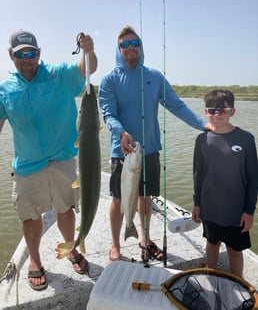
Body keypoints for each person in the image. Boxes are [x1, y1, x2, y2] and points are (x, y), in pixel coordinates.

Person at [98, 25, 215, 262]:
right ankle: (115, 245)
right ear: (118, 49)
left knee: (146, 197)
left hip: (149, 149)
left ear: (141, 47)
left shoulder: (154, 77)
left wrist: (204, 125)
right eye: (125, 45)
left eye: (135, 44)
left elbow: (177, 106)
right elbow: (108, 113)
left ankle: (144, 239)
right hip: (122, 151)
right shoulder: (109, 80)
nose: (130, 48)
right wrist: (120, 133)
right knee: (119, 198)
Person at [0, 30, 97, 290]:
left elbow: (86, 69)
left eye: (31, 53)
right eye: (21, 54)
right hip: (27, 165)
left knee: (66, 208)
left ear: (39, 54)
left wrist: (88, 51)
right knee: (30, 216)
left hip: (63, 159)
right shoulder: (4, 89)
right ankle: (34, 260)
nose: (27, 59)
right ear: (11, 55)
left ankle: (73, 249)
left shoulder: (59, 75)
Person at [192, 89, 258, 277]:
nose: (217, 115)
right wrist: (197, 203)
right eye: (212, 110)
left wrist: (249, 210)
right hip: (209, 206)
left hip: (236, 210)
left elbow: (253, 177)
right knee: (212, 245)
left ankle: (238, 283)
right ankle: (212, 279)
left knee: (235, 251)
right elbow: (198, 173)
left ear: (232, 112)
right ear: (205, 112)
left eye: (222, 110)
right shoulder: (202, 139)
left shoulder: (245, 139)